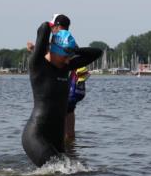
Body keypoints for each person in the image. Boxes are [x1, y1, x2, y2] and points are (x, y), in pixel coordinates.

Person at [22, 21, 103, 167]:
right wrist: (52, 26)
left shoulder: (66, 65)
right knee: (60, 171)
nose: (68, 59)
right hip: (36, 135)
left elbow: (97, 52)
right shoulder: (37, 64)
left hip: (57, 137)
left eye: (69, 55)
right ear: (54, 49)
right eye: (65, 54)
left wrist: (73, 50)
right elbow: (43, 28)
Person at [65, 66, 90, 142]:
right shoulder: (76, 60)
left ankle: (66, 146)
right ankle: (71, 147)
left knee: (65, 110)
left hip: (68, 94)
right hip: (73, 93)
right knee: (69, 109)